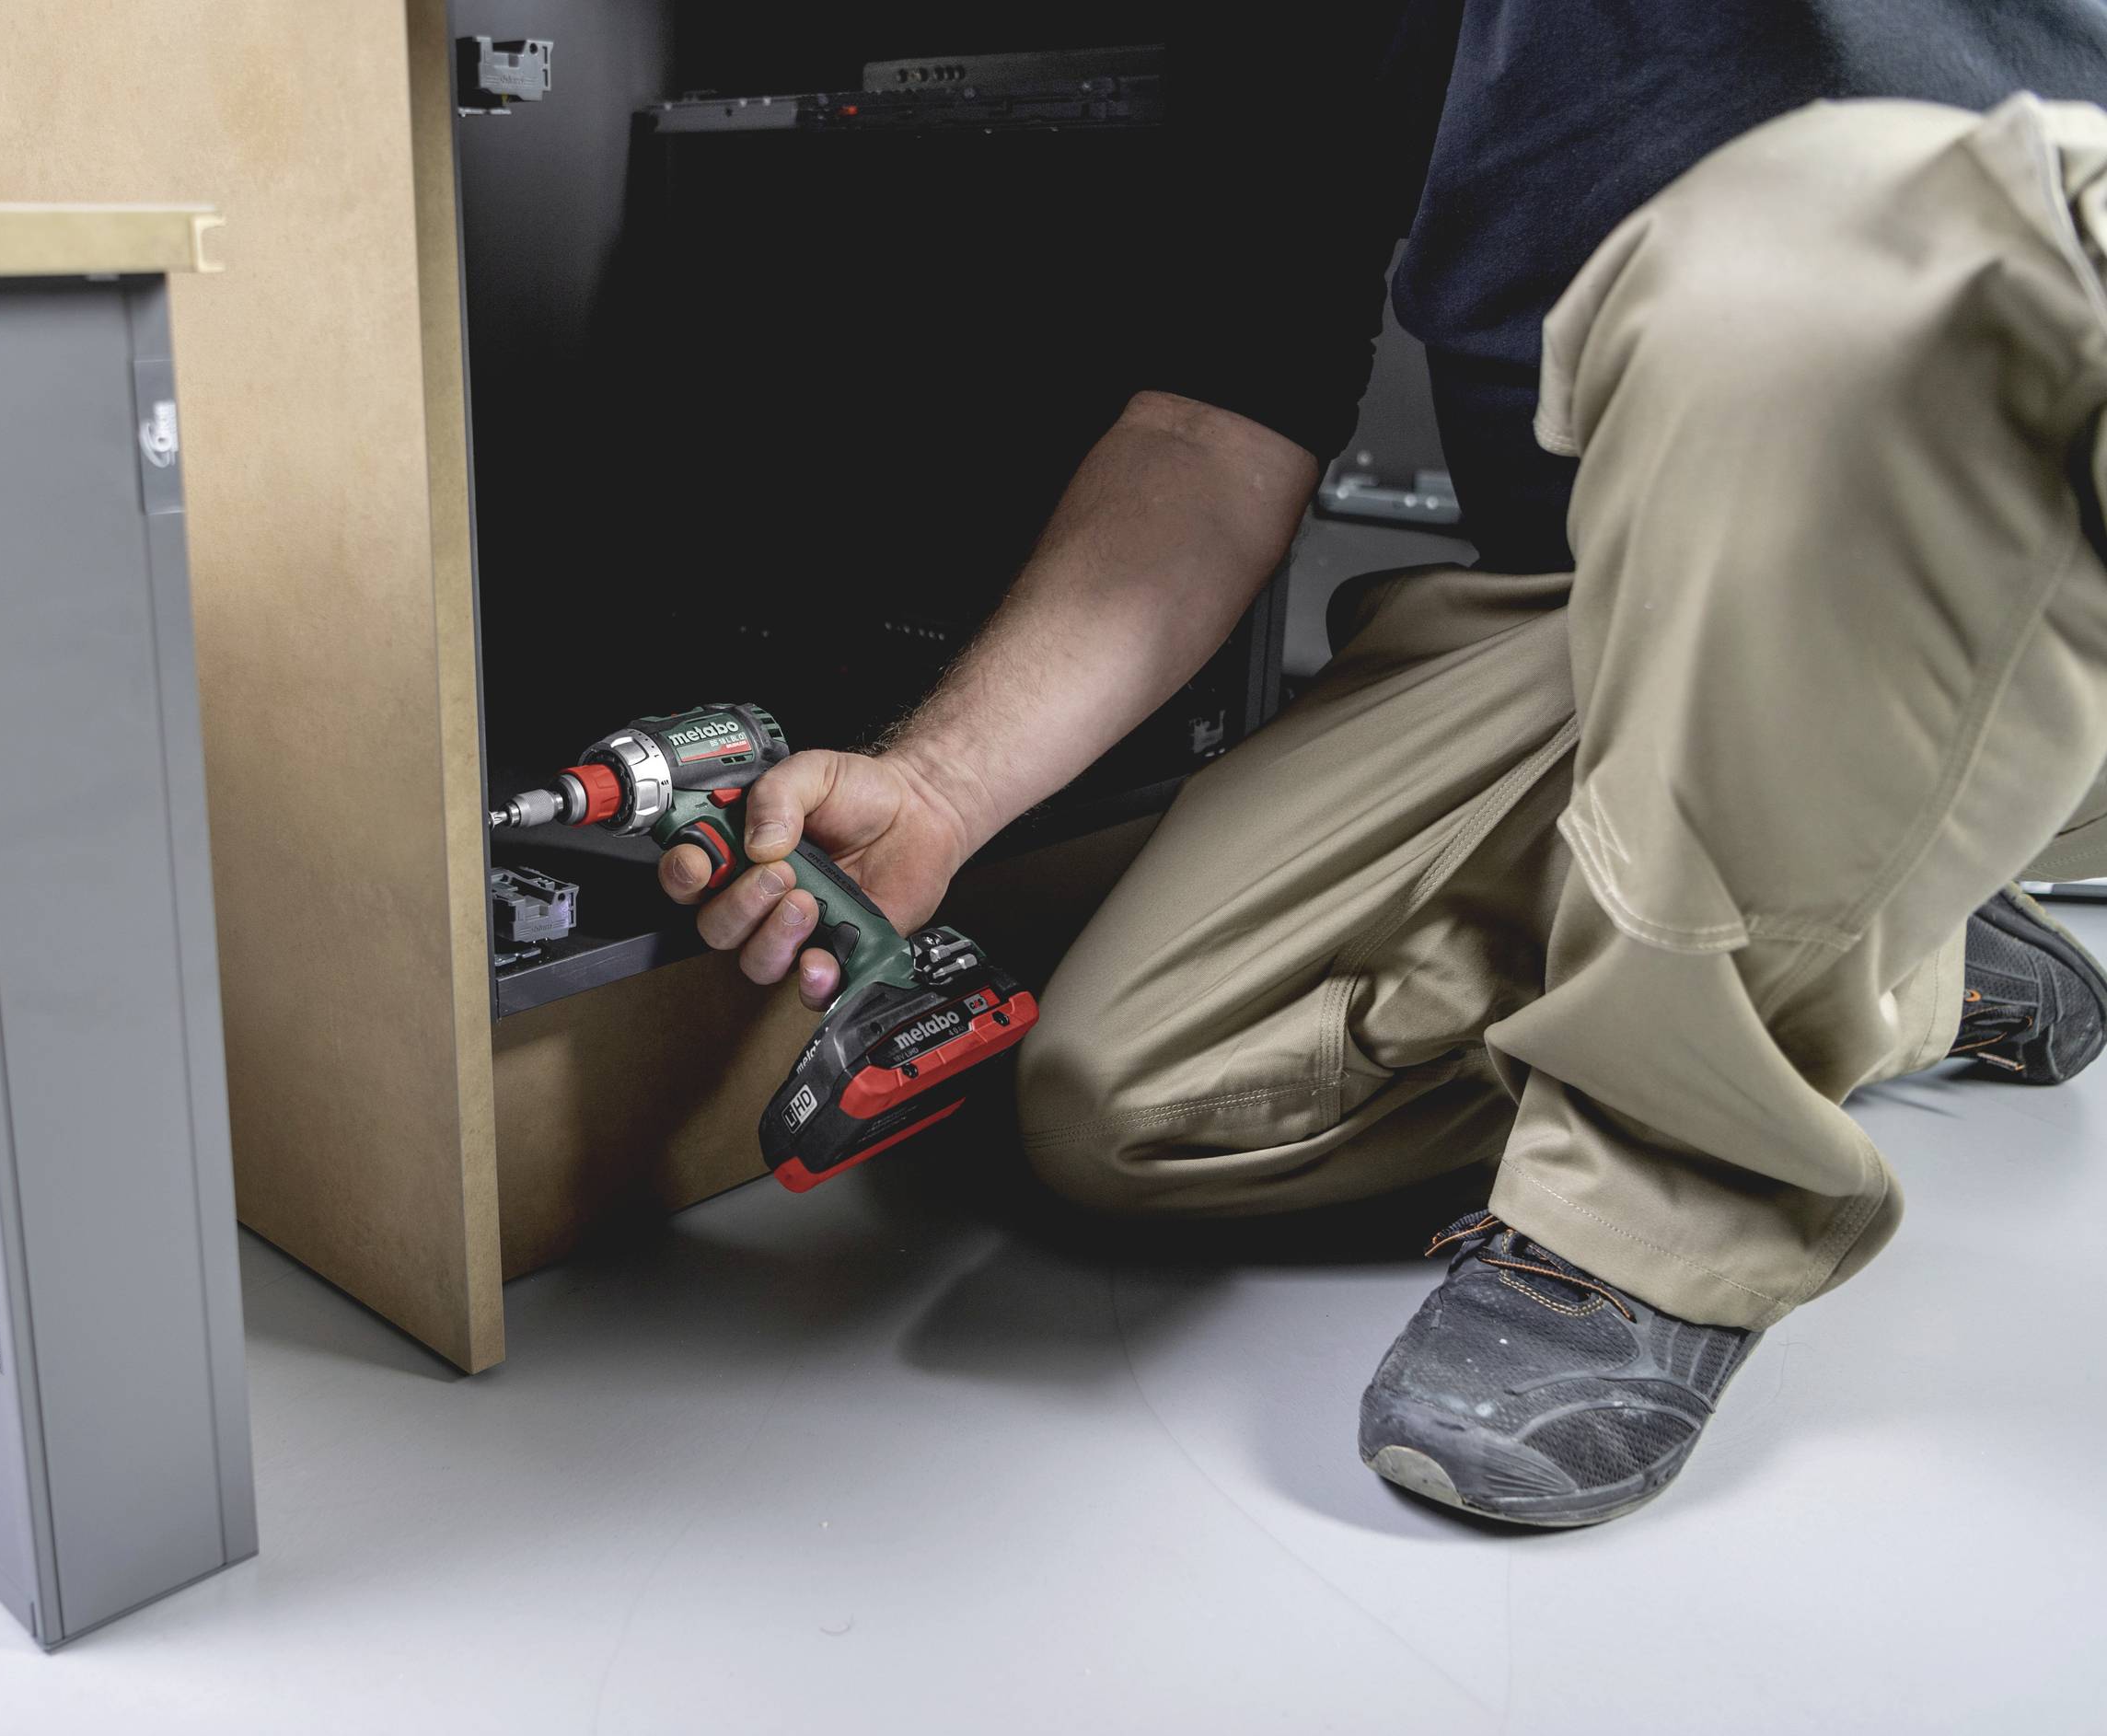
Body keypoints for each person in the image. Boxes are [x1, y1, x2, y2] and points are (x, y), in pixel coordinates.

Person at [658, 5, 2107, 1526]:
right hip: (1610, 598)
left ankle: (1668, 1203)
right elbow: (1214, 434)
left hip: (2032, 523)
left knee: (1790, 235)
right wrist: (944, 788)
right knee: (1137, 1093)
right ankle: (1890, 925)